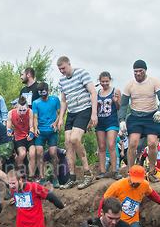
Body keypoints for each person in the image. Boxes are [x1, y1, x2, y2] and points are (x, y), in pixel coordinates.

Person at [119, 59, 160, 183]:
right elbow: (124, 105)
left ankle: (151, 172)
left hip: (151, 116)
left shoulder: (154, 82)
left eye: (140, 72)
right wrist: (122, 120)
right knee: (133, 144)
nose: (138, 75)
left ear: (145, 70)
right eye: (135, 72)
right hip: (135, 116)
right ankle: (131, 172)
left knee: (152, 143)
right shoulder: (129, 85)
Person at [56, 56, 98, 190]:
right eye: (59, 69)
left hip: (84, 109)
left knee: (75, 139)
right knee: (68, 142)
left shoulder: (81, 73)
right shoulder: (62, 80)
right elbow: (63, 101)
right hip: (72, 112)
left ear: (69, 64)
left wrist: (94, 113)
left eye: (63, 68)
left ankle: (87, 173)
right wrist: (61, 117)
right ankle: (72, 177)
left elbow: (93, 92)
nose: (62, 71)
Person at [32, 82, 61, 187]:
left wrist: (56, 123)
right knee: (39, 153)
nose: (43, 97)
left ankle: (55, 177)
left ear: (48, 91)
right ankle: (42, 177)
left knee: (53, 154)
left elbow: (60, 113)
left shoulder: (55, 99)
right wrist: (35, 128)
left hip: (52, 131)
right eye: (41, 95)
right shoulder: (36, 103)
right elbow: (35, 117)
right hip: (41, 131)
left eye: (44, 94)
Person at [96, 72, 122, 180]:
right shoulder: (97, 93)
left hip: (111, 121)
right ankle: (102, 171)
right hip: (100, 121)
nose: (105, 83)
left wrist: (116, 101)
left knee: (111, 145)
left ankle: (114, 171)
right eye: (103, 81)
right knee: (102, 147)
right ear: (100, 81)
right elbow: (95, 109)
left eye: (107, 81)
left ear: (110, 80)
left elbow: (120, 108)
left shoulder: (116, 91)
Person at [7, 96, 35, 179]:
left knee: (33, 153)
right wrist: (9, 132)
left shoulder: (30, 112)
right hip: (19, 137)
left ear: (27, 108)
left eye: (24, 110)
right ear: (16, 107)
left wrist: (31, 133)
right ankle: (17, 173)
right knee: (22, 154)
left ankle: (30, 176)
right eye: (20, 110)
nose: (22, 113)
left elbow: (32, 127)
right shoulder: (11, 113)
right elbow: (8, 127)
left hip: (28, 136)